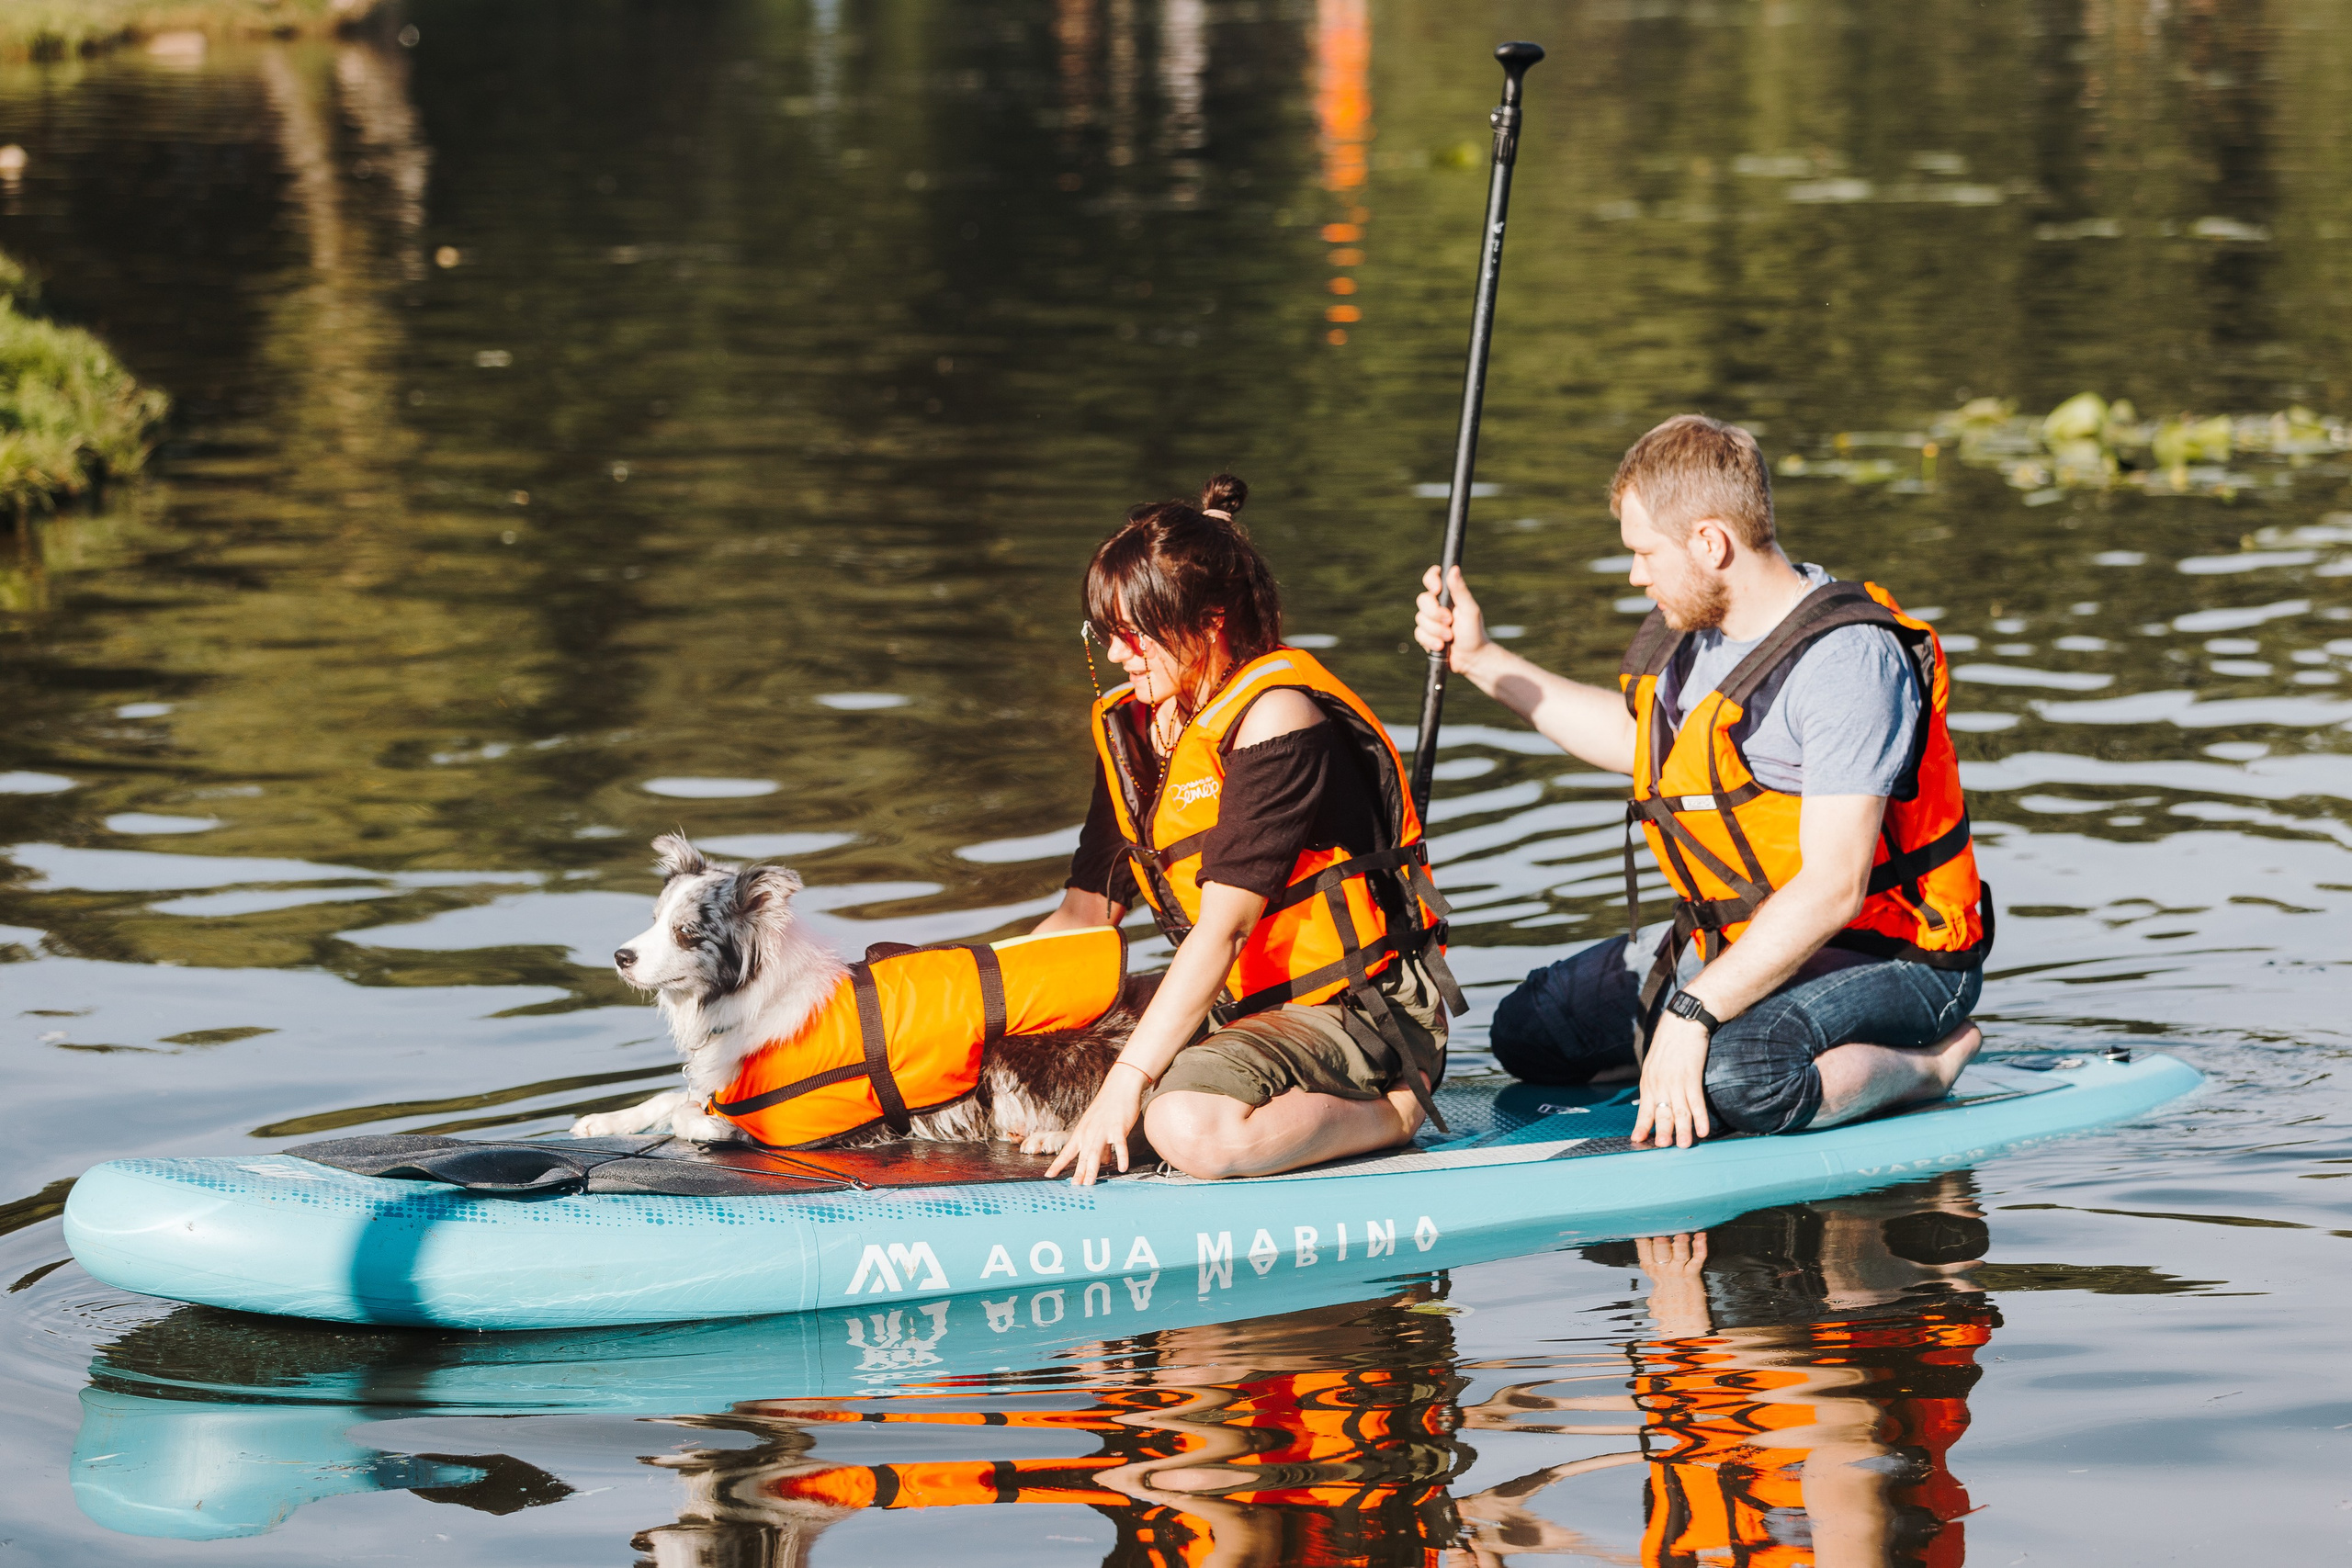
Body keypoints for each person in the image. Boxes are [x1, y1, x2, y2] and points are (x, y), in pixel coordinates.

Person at [1412, 415, 1987, 1150]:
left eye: (1644, 553)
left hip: (1896, 957)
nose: (1635, 575)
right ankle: (1691, 1046)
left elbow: (1835, 887)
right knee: (1531, 1032)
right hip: (1746, 938)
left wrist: (1695, 1013)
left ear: (1711, 543)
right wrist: (1485, 661)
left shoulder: (1848, 662)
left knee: (1742, 1077)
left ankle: (1927, 1066)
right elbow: (1637, 743)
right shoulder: (1695, 633)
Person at [1036, 473, 1462, 1186]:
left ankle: (1393, 1112)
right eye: (1105, 632)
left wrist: (1125, 1084)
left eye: (1135, 635)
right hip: (1240, 1009)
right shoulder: (1141, 732)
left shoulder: (1278, 719)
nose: (1117, 655)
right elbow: (1083, 915)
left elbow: (1225, 930)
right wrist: (984, 1006)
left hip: (1357, 1010)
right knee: (1042, 1071)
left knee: (1185, 1125)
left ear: (1209, 622)